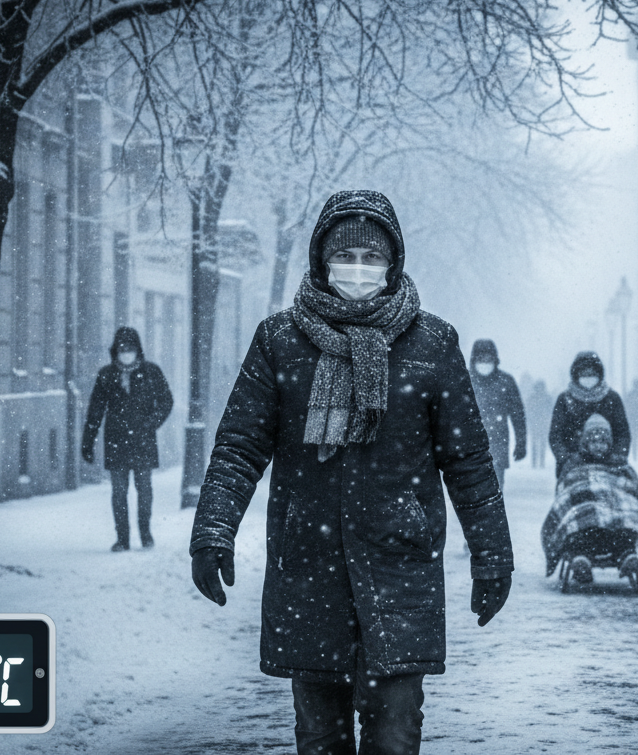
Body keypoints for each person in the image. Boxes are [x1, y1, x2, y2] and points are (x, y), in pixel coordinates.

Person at [188, 190, 513, 755]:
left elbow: (468, 461)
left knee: (395, 735)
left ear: (392, 263)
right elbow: (239, 446)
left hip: (400, 562)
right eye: (345, 256)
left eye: (371, 257)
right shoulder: (280, 341)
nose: (358, 269)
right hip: (308, 568)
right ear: (322, 260)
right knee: (321, 739)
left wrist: (493, 556)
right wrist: (213, 530)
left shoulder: (433, 343)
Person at [81, 327, 173, 552]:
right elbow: (95, 410)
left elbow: (166, 401)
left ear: (138, 350)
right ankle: (122, 538)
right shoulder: (107, 375)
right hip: (116, 441)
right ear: (115, 351)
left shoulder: (151, 372)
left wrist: (151, 423)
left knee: (144, 490)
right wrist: (88, 441)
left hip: (143, 441)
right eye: (122, 349)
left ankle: (145, 534)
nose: (126, 353)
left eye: (130, 349)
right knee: (119, 492)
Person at [543, 413, 638, 584]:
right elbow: (565, 488)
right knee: (583, 516)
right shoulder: (574, 462)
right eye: (594, 442)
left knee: (626, 514)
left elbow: (632, 485)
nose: (599, 446)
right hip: (587, 513)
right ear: (586, 443)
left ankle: (626, 554)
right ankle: (580, 557)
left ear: (609, 444)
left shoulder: (618, 463)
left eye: (603, 442)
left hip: (612, 510)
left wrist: (623, 489)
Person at [548, 351, 630, 478]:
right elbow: (556, 435)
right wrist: (565, 457)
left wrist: (617, 456)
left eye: (592, 374)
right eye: (584, 374)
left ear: (599, 375)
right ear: (576, 375)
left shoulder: (612, 398)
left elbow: (622, 432)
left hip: (609, 465)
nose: (588, 378)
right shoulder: (564, 399)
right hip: (573, 466)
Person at [467, 339, 527, 491]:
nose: (485, 363)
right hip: (468, 449)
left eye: (488, 359)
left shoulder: (506, 382)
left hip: (498, 447)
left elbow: (518, 415)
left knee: (495, 489)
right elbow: (450, 416)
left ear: (495, 359)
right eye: (481, 359)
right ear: (474, 360)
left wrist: (521, 442)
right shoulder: (463, 380)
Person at [525, 379, 553, 469]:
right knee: (538, 443)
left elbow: (528, 411)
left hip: (539, 423)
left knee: (539, 443)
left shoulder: (533, 397)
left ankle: (538, 462)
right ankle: (538, 462)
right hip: (540, 423)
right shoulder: (547, 397)